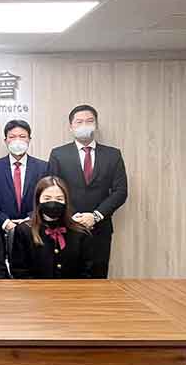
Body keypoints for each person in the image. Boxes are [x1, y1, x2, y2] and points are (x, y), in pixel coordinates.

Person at [47, 104, 128, 278]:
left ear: (96, 125)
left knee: (98, 277)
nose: (84, 125)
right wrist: (71, 216)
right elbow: (52, 191)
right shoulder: (58, 154)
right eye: (79, 122)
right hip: (66, 227)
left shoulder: (113, 155)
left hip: (100, 228)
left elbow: (120, 191)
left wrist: (96, 216)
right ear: (71, 126)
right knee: (66, 277)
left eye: (89, 121)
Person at [9, 176, 94, 279]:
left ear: (66, 201)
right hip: (34, 288)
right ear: (38, 200)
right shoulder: (24, 231)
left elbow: (86, 272)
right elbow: (19, 271)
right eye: (47, 198)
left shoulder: (80, 232)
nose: (53, 203)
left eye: (59, 199)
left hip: (72, 288)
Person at [0, 119, 48, 239]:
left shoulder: (43, 167)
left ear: (29, 139)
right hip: (1, 230)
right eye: (12, 137)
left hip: (34, 228)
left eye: (22, 136)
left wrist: (31, 218)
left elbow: (46, 198)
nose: (17, 141)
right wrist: (5, 221)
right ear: (5, 140)